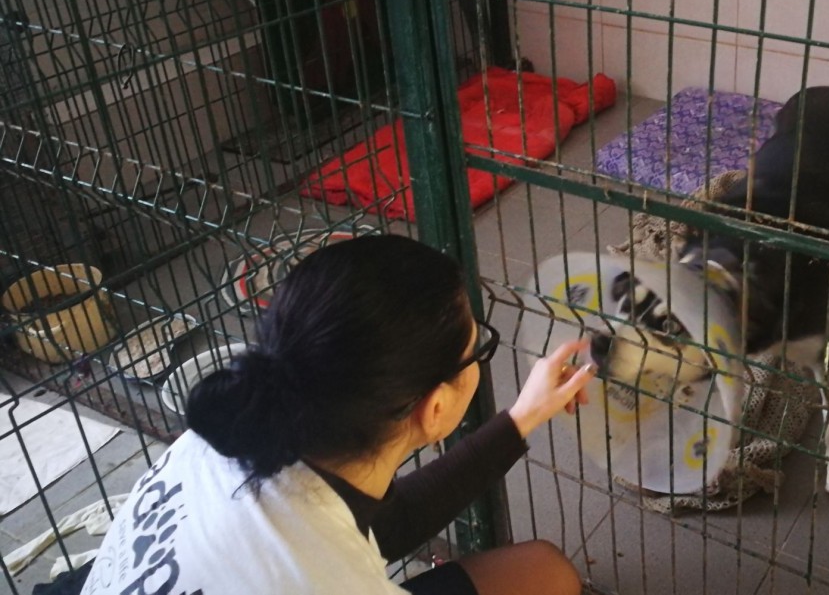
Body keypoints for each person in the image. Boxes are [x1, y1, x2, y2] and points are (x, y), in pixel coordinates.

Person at [81, 235, 596, 595]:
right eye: (477, 349)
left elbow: (383, 523)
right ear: (436, 408)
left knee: (542, 572)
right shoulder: (328, 578)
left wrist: (522, 417)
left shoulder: (239, 426)